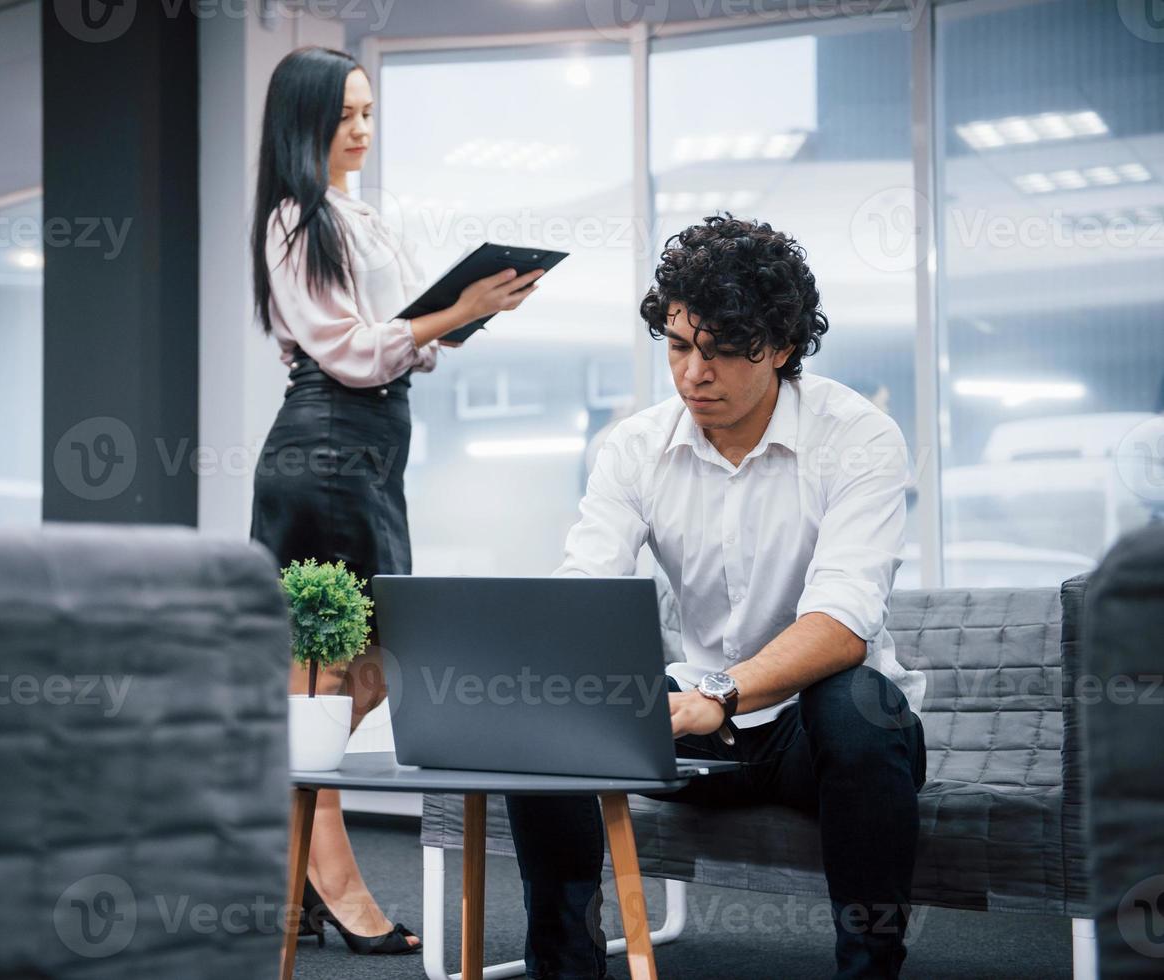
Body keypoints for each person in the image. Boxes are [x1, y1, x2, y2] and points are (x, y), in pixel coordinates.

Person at [506, 214, 928, 979]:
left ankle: (869, 968)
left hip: (819, 737)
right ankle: (563, 970)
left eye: (722, 352)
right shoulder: (635, 447)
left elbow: (841, 622)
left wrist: (722, 694)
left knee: (855, 702)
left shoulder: (858, 435)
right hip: (697, 727)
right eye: (677, 346)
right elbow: (585, 588)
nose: (692, 374)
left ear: (782, 347)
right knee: (551, 710)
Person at [248, 46, 544, 956]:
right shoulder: (296, 220)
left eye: (368, 111)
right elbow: (349, 349)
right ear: (303, 122)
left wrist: (467, 309)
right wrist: (451, 314)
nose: (361, 130)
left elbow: (403, 341)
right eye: (344, 115)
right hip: (325, 449)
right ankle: (330, 876)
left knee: (369, 668)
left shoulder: (361, 215)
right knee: (325, 678)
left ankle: (289, 845)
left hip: (372, 455)